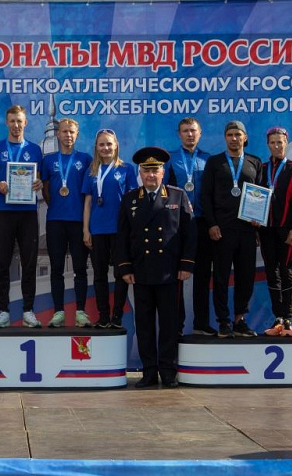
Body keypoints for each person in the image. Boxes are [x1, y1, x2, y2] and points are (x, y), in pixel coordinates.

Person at [118, 148, 195, 389]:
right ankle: (149, 372)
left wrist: (186, 264)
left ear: (163, 172)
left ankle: (168, 371)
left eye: (155, 170)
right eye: (146, 171)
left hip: (169, 271)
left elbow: (189, 233)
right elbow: (122, 236)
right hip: (141, 271)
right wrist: (125, 267)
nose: (151, 175)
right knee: (144, 324)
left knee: (170, 324)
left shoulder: (177, 196)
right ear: (140, 173)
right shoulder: (130, 199)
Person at [201, 120, 262, 338]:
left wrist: (258, 221)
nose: (234, 138)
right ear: (225, 138)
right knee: (220, 277)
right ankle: (223, 321)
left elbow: (261, 193)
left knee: (246, 276)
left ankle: (240, 319)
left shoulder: (255, 162)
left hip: (247, 230)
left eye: (238, 134)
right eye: (230, 135)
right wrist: (211, 224)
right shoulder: (215, 162)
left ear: (245, 137)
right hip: (222, 230)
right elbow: (206, 195)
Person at [0, 105, 44, 328]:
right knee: (2, 263)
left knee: (29, 263)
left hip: (28, 213)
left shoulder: (35, 150)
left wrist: (38, 183)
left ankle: (28, 310)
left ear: (25, 123)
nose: (16, 125)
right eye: (12, 121)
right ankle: (3, 311)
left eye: (19, 121)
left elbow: (39, 179)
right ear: (6, 123)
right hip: (4, 212)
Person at [82, 128, 137, 328]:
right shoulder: (91, 171)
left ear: (116, 146)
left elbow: (132, 201)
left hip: (120, 230)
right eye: (102, 144)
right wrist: (86, 230)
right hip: (97, 230)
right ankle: (103, 316)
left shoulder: (126, 169)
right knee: (99, 275)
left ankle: (117, 316)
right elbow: (88, 203)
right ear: (96, 147)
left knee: (120, 274)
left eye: (109, 144)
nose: (105, 148)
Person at [164, 117, 215, 335]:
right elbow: (164, 192)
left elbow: (214, 193)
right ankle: (177, 324)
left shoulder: (208, 159)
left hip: (202, 222)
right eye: (185, 131)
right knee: (177, 275)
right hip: (178, 224)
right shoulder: (170, 159)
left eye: (193, 130)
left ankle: (201, 323)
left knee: (202, 275)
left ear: (200, 133)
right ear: (179, 134)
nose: (190, 134)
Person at [41, 118, 92, 327]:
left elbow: (88, 192)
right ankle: (59, 312)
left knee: (80, 269)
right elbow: (45, 189)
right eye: (64, 131)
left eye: (71, 132)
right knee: (56, 269)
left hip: (78, 221)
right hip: (55, 221)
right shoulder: (49, 161)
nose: (68, 135)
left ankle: (80, 312)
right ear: (58, 134)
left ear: (77, 134)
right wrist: (55, 205)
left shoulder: (85, 159)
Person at [258, 127, 292, 337]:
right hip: (266, 230)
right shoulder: (261, 168)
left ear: (286, 143)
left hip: (287, 231)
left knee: (287, 272)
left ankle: (288, 319)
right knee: (271, 272)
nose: (277, 146)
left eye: (280, 142)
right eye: (273, 143)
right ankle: (278, 318)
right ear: (268, 145)